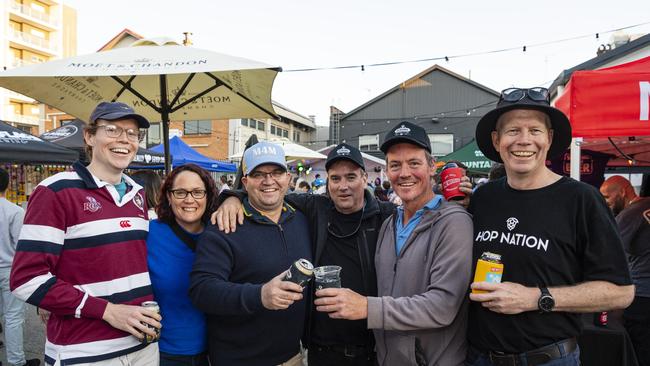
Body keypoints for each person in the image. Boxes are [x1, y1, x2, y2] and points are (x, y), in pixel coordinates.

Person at [466, 87, 634, 365]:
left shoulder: (581, 199)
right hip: (479, 357)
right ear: (496, 140)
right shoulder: (484, 197)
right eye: (512, 131)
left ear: (549, 138)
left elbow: (621, 292)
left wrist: (536, 297)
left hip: (548, 359)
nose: (523, 140)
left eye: (535, 130)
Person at [214, 143, 396, 365]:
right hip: (322, 351)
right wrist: (232, 197)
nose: (343, 186)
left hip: (375, 350)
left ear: (364, 178)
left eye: (351, 177)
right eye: (335, 178)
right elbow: (269, 192)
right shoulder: (315, 208)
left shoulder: (387, 216)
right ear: (328, 181)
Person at [10, 101, 162, 366]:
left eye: (132, 133)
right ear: (90, 136)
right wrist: (107, 311)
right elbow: (26, 279)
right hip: (83, 353)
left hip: (144, 347)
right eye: (113, 130)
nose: (124, 139)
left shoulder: (138, 193)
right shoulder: (55, 191)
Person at [314, 122, 474, 365]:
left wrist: (367, 307)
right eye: (395, 165)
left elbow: (443, 306)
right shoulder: (389, 222)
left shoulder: (454, 222)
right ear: (387, 171)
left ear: (432, 167)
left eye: (414, 163)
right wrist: (234, 196)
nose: (404, 173)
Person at [189, 141, 311, 365]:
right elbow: (201, 289)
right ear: (245, 182)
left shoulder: (302, 218)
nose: (268, 181)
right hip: (239, 359)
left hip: (294, 357)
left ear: (288, 178)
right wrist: (260, 295)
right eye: (258, 174)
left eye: (276, 173)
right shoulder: (225, 225)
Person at [147, 164, 218, 366]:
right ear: (169, 197)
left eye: (197, 192)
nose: (189, 199)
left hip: (217, 350)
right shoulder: (149, 233)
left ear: (208, 196)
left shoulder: (222, 232)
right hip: (164, 353)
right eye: (180, 192)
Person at [600, 175, 650, 366]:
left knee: (639, 351)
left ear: (622, 192)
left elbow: (608, 252)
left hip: (642, 296)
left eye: (606, 197)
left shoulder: (629, 214)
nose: (605, 203)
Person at [0, 168, 39, 366]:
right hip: (8, 269)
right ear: (7, 185)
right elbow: (21, 245)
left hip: (8, 269)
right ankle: (16, 361)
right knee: (13, 316)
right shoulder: (14, 211)